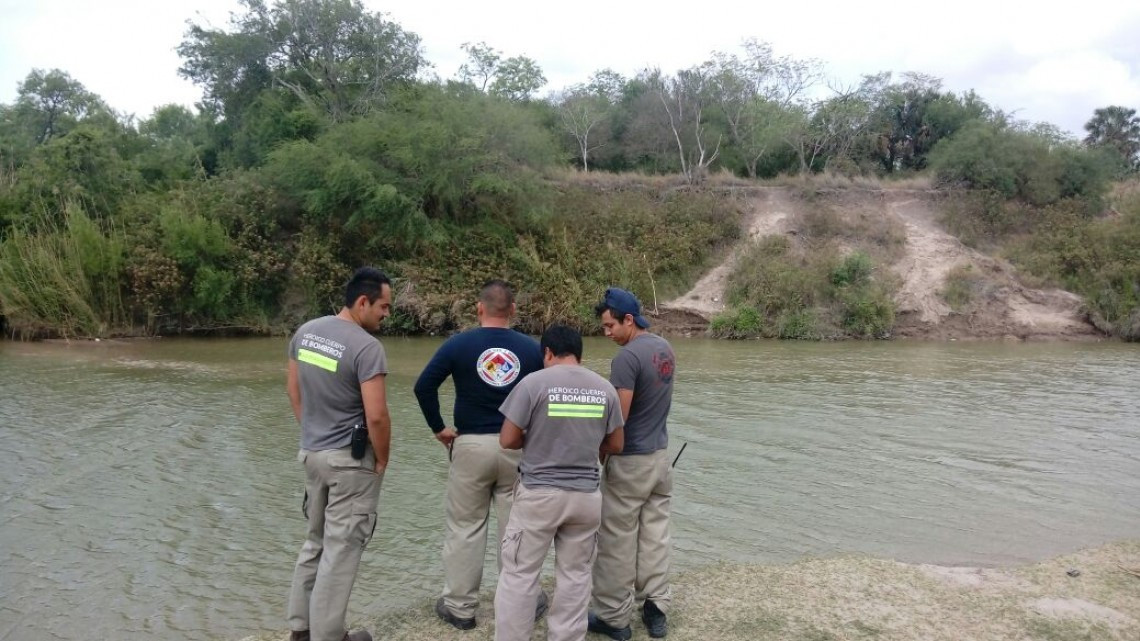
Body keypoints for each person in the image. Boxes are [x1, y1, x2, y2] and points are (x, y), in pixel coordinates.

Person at [413, 279, 546, 630]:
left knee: (465, 527)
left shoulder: (458, 344)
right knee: (515, 530)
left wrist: (439, 428)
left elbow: (423, 386)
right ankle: (520, 603)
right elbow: (547, 394)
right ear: (513, 310)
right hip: (517, 446)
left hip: (470, 445)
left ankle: (460, 607)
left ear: (479, 308)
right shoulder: (532, 349)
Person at [494, 324, 625, 641]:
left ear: (548, 353)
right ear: (579, 354)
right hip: (585, 498)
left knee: (520, 574)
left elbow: (507, 440)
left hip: (539, 495)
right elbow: (617, 444)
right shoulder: (604, 388)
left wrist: (538, 437)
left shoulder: (533, 383)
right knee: (576, 576)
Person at [285, 267, 393, 641]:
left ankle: (301, 628)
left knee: (314, 539)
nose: (386, 314)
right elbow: (377, 415)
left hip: (312, 453)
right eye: (383, 306)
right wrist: (382, 459)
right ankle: (329, 636)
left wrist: (311, 431)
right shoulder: (367, 348)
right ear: (362, 302)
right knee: (341, 549)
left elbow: (293, 389)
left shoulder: (307, 332)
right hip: (350, 462)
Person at [588, 287, 677, 640]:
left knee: (615, 539)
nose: (607, 333)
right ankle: (655, 606)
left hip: (630, 462)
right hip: (660, 458)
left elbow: (617, 418)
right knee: (655, 534)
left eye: (610, 326)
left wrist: (601, 452)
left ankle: (613, 617)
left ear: (629, 320)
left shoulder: (626, 359)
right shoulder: (664, 348)